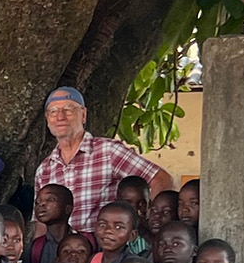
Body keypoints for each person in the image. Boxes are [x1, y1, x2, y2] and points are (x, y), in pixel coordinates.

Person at [32, 88, 174, 233]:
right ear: (47, 119)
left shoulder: (109, 151)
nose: (60, 117)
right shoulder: (45, 169)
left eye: (68, 110)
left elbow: (161, 179)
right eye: (53, 111)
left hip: (105, 245)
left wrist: (143, 228)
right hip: (63, 247)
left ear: (83, 115)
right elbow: (41, 225)